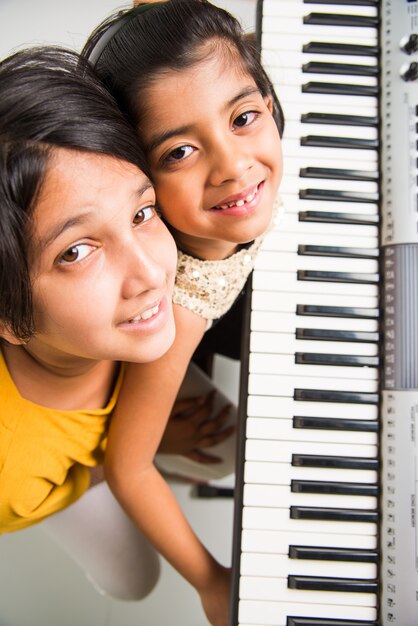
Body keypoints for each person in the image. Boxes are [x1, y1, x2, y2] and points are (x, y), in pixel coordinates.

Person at [82, 2, 284, 624]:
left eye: (244, 118)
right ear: (133, 177)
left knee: (218, 446)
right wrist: (210, 580)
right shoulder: (180, 309)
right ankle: (76, 473)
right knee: (130, 579)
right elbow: (130, 466)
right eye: (178, 154)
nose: (233, 167)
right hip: (44, 425)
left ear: (268, 104)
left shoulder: (244, 161)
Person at [0, 45, 180, 599]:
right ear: (9, 315)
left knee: (222, 450)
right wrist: (133, 453)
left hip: (129, 362)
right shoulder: (10, 470)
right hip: (58, 480)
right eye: (77, 252)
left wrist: (147, 436)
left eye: (142, 213)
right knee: (135, 580)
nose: (150, 273)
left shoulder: (133, 312)